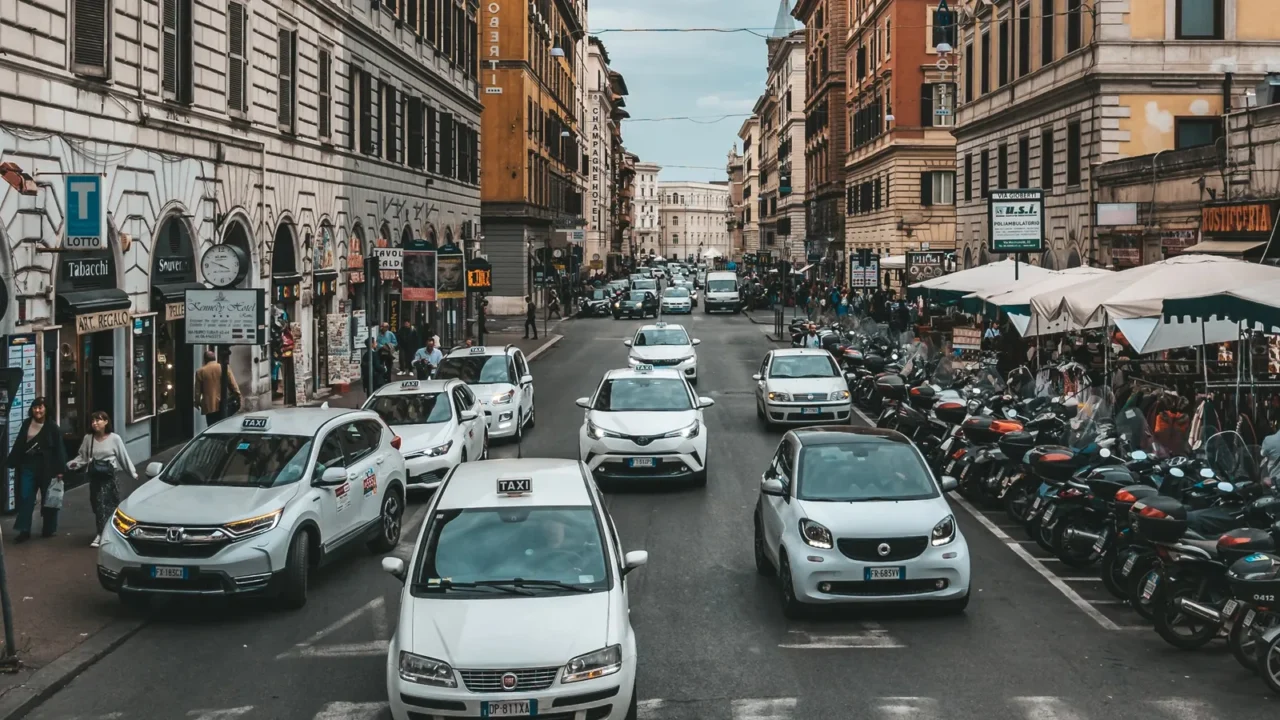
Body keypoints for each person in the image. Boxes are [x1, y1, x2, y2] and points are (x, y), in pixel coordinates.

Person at [68, 411, 137, 548]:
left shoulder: (114, 438)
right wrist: (72, 464)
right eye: (93, 421)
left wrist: (133, 473)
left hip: (109, 478)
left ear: (106, 422)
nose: (95, 423)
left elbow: (123, 457)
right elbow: (83, 456)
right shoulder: (89, 438)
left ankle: (103, 534)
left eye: (98, 420)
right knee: (97, 506)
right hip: (96, 478)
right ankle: (104, 532)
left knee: (109, 505)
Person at [6, 398, 67, 542]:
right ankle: (24, 530)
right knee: (25, 496)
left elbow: (59, 449)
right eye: (35, 408)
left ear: (46, 409)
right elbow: (20, 443)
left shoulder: (52, 427)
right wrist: (12, 461)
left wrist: (60, 470)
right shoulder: (27, 423)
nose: (37, 411)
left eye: (40, 408)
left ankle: (49, 528)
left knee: (49, 498)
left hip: (47, 467)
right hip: (28, 465)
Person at [194, 350, 240, 427]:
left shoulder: (200, 371)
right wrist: (238, 396)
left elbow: (197, 390)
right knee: (223, 425)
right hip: (223, 403)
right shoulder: (224, 368)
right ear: (215, 358)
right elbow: (233, 384)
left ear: (205, 360)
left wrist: (197, 402)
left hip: (209, 405)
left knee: (211, 426)